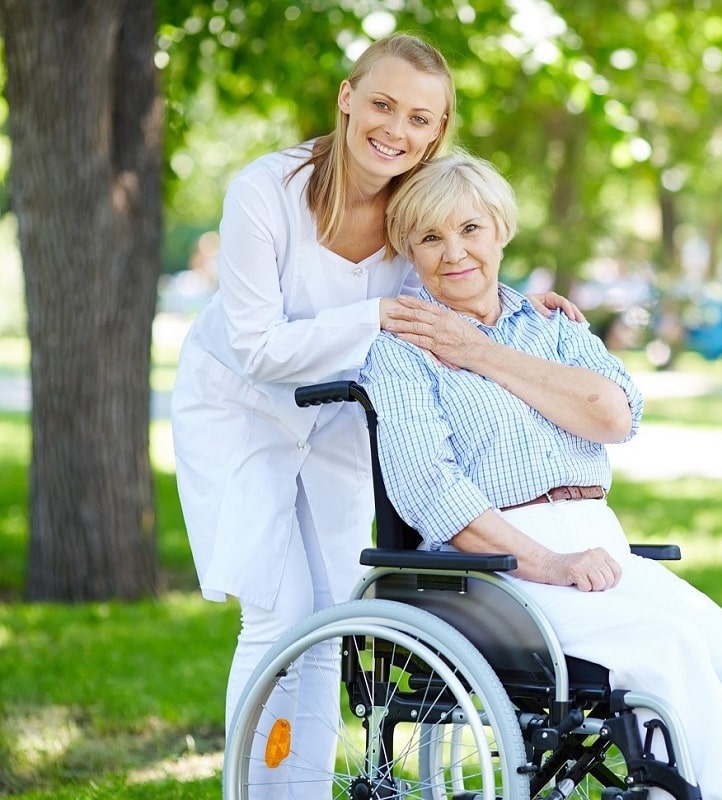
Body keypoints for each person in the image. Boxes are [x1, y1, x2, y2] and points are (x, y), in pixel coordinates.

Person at [169, 33, 580, 793]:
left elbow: (462, 273)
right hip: (239, 409)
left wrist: (538, 311)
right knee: (273, 612)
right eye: (383, 105)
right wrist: (378, 318)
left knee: (331, 622)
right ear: (347, 99)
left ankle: (304, 791)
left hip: (336, 415)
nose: (398, 130)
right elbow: (258, 348)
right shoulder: (266, 192)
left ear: (440, 129)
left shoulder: (416, 207)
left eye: (422, 119)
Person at [360, 152, 722, 800]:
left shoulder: (554, 325)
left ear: (500, 232)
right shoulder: (402, 351)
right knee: (670, 653)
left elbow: (614, 415)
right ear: (409, 249)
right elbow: (430, 489)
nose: (453, 252)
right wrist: (546, 563)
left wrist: (481, 354)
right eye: (430, 237)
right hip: (498, 570)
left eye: (470, 229)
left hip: (599, 542)